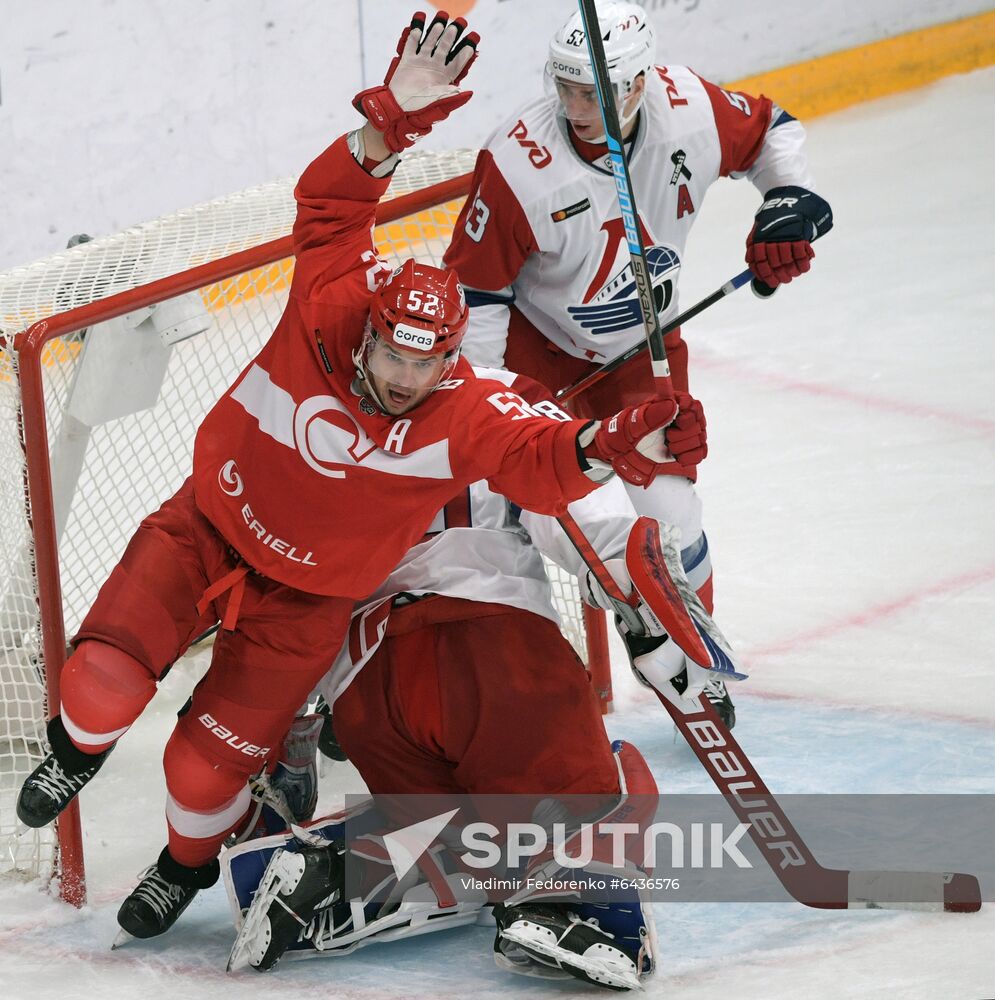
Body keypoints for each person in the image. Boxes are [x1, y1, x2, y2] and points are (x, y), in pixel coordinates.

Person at [15, 11, 691, 942]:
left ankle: (191, 857)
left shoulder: (468, 404)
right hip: (212, 530)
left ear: (451, 355)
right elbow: (330, 210)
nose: (407, 379)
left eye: (430, 363)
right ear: (370, 328)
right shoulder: (330, 301)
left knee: (200, 773)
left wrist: (597, 445)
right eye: (394, 356)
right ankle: (80, 755)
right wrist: (387, 126)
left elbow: (537, 462)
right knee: (97, 685)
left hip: (315, 609)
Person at [221, 370, 739, 991]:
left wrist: (289, 727)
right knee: (619, 786)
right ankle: (574, 910)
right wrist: (648, 611)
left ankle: (343, 870)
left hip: (366, 691)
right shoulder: (502, 395)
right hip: (492, 656)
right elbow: (584, 520)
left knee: (477, 835)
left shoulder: (317, 418)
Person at [443, 0, 834, 721]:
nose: (574, 106)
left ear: (637, 83)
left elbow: (773, 132)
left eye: (592, 91)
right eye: (563, 87)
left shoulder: (687, 105)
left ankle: (694, 661)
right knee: (546, 522)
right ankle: (618, 622)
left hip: (641, 353)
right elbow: (476, 302)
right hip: (536, 366)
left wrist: (786, 200)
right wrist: (493, 419)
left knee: (674, 516)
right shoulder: (518, 164)